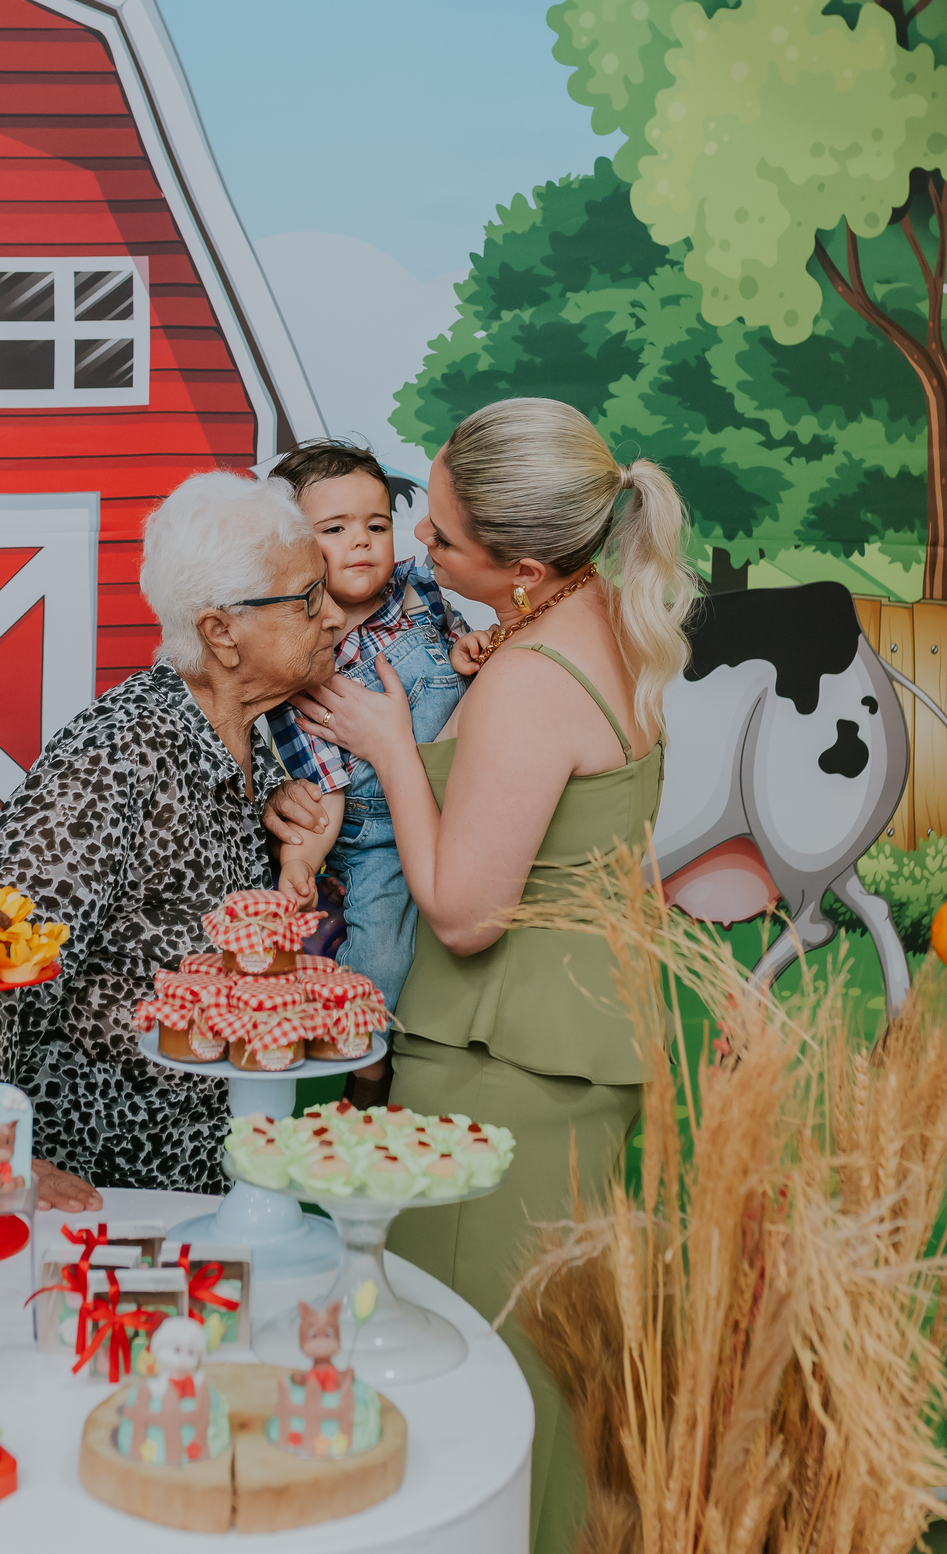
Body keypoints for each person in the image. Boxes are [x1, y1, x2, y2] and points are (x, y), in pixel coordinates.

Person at [269, 398, 697, 1553]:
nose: (418, 550)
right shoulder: (605, 615)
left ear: (518, 565)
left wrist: (392, 746)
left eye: (442, 539)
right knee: (540, 1375)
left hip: (506, 1064)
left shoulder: (531, 675)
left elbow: (462, 912)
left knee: (476, 1380)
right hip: (573, 1045)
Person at [0, 469, 344, 1211]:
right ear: (221, 632)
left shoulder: (251, 744)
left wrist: (293, 839)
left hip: (206, 1160)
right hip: (100, 1176)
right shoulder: (117, 753)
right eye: (306, 599)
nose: (331, 618)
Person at [262, 441, 477, 1101]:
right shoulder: (302, 664)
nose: (362, 542)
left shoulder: (421, 590)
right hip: (374, 838)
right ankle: (370, 1074)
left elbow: (471, 644)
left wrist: (475, 649)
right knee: (380, 958)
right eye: (335, 530)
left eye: (375, 525)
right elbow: (321, 786)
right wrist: (302, 862)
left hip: (464, 802)